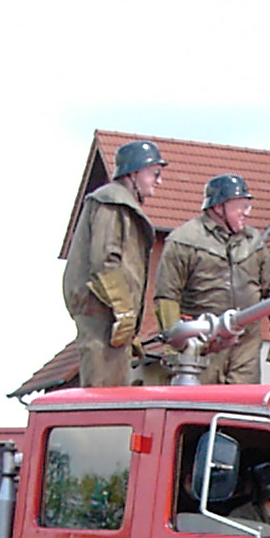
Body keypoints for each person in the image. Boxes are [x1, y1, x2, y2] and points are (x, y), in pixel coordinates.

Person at [154, 174, 270, 384]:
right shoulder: (184, 240)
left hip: (246, 346)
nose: (247, 212)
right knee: (201, 401)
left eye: (248, 206)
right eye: (240, 206)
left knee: (243, 402)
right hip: (202, 345)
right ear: (219, 207)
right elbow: (167, 296)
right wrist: (175, 342)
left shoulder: (253, 242)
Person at [61, 138, 165, 387]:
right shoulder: (111, 202)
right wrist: (124, 312)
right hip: (104, 319)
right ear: (133, 173)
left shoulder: (118, 204)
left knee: (112, 396)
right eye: (154, 173)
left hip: (110, 319)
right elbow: (105, 262)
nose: (159, 181)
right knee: (103, 398)